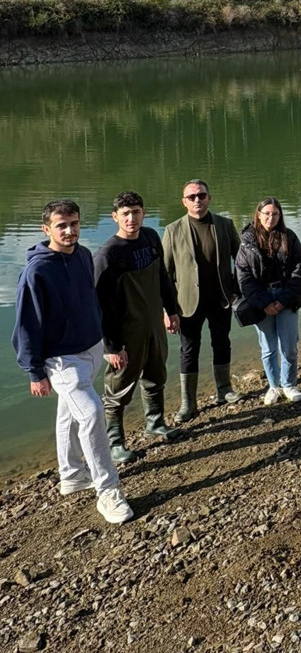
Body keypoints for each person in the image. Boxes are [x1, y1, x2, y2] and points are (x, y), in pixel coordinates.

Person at [12, 199, 133, 524]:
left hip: (91, 348)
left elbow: (93, 301)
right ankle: (108, 491)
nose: (69, 231)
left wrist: (107, 342)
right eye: (61, 225)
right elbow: (25, 324)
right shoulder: (38, 270)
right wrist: (34, 370)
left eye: (74, 224)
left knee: (70, 413)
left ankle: (72, 475)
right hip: (62, 360)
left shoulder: (82, 255)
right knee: (92, 413)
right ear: (46, 229)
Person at [94, 191, 180, 463]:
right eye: (126, 214)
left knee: (156, 374)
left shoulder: (151, 238)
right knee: (118, 386)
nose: (132, 218)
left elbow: (163, 277)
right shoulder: (108, 255)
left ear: (144, 212)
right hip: (126, 332)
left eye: (136, 212)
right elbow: (101, 306)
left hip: (154, 323)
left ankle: (155, 423)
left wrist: (172, 309)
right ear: (115, 217)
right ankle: (115, 442)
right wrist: (112, 346)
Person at [162, 179, 241, 422]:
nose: (198, 200)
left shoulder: (225, 225)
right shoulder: (173, 230)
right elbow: (164, 274)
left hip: (220, 298)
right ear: (184, 202)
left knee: (222, 342)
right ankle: (188, 402)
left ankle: (224, 389)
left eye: (202, 195)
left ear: (209, 198)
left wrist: (236, 291)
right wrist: (166, 310)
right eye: (192, 197)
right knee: (189, 349)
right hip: (187, 303)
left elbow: (241, 260)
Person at [235, 198, 301, 403]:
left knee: (289, 346)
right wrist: (264, 302)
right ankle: (274, 386)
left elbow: (298, 270)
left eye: (275, 214)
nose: (270, 218)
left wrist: (282, 301)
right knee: (268, 348)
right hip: (261, 300)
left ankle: (289, 384)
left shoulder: (289, 237)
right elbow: (243, 275)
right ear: (258, 214)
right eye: (266, 213)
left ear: (280, 216)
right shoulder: (247, 241)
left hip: (286, 298)